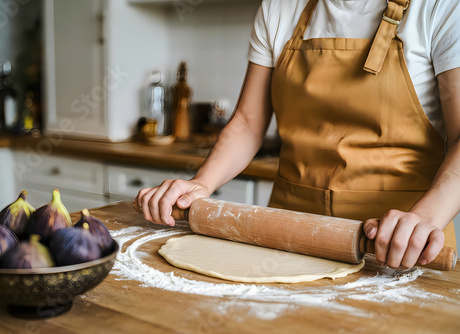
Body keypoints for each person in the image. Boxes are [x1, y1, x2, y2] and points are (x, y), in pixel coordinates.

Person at [134, 0, 459, 269]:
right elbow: (248, 121)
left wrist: (425, 218)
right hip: (291, 233)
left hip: (397, 241)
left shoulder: (439, 8)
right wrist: (200, 183)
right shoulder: (280, 8)